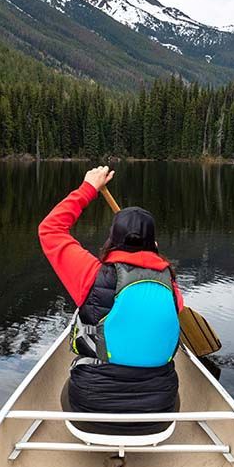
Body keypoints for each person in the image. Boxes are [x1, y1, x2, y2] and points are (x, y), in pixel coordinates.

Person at [38, 166, 181, 434]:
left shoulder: (91, 275)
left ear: (111, 240)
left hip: (90, 413)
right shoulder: (170, 285)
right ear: (154, 244)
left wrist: (89, 188)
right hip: (158, 417)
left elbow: (50, 230)